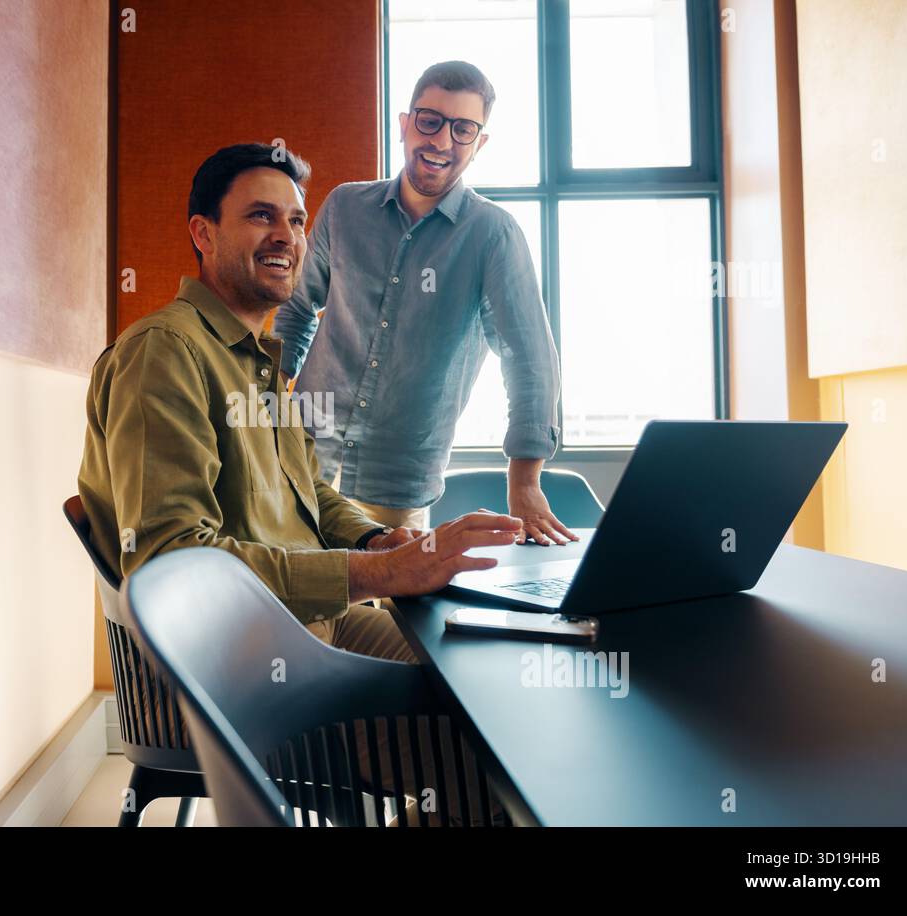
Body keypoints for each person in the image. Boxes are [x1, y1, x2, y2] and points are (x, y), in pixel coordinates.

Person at [78, 142, 518, 824]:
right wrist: (377, 577)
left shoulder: (259, 363)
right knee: (488, 740)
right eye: (261, 216)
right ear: (203, 232)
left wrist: (378, 542)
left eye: (297, 219)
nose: (286, 236)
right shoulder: (165, 354)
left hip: (314, 628)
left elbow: (311, 491)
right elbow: (173, 562)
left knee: (497, 677)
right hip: (242, 666)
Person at [273, 61, 579, 548]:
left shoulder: (493, 236)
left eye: (463, 129)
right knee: (297, 615)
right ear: (404, 125)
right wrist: (266, 408)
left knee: (393, 623)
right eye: (430, 120)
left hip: (398, 487)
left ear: (479, 145)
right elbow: (296, 311)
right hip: (299, 461)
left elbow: (529, 359)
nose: (441, 141)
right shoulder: (344, 207)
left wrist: (524, 480)